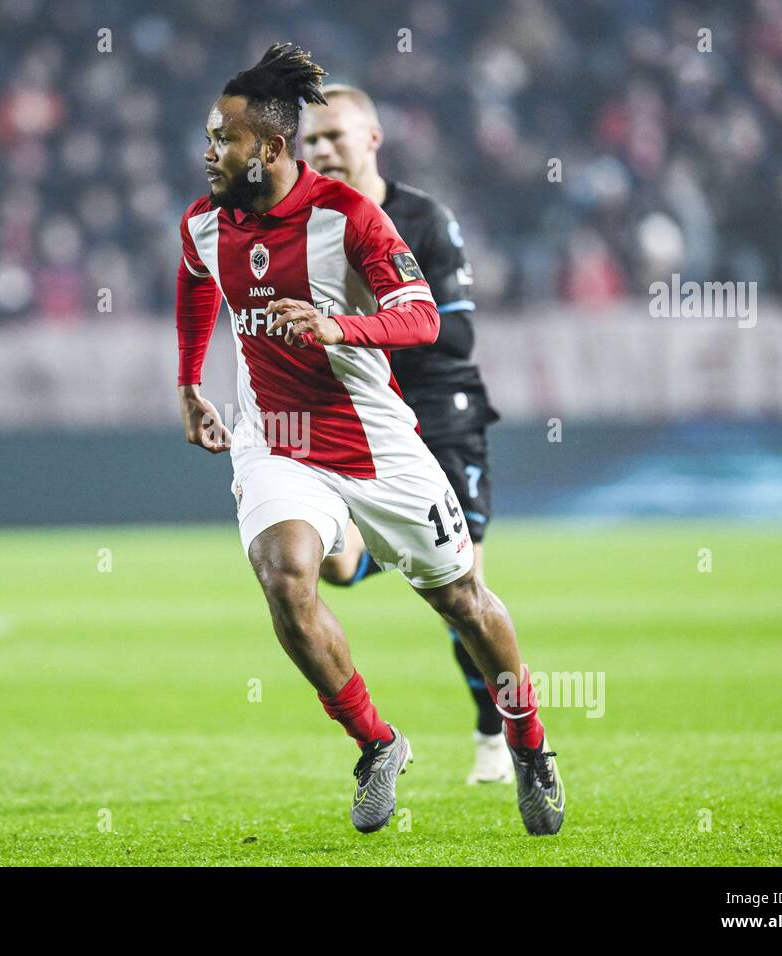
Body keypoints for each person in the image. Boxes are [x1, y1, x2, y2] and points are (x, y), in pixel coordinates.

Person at [174, 42, 563, 835]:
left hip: (374, 440)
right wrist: (188, 383)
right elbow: (192, 281)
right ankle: (376, 744)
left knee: (461, 600)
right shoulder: (205, 223)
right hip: (275, 439)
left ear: (270, 148)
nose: (209, 153)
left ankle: (527, 740)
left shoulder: (348, 217)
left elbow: (421, 317)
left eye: (224, 139)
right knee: (286, 580)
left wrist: (337, 325)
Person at [301, 84, 510, 785]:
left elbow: (457, 328)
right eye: (310, 141)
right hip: (355, 416)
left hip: (438, 411)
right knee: (330, 566)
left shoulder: (422, 218)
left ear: (372, 139)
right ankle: (399, 538)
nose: (322, 150)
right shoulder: (296, 227)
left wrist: (359, 331)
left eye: (335, 136)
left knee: (463, 590)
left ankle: (498, 734)